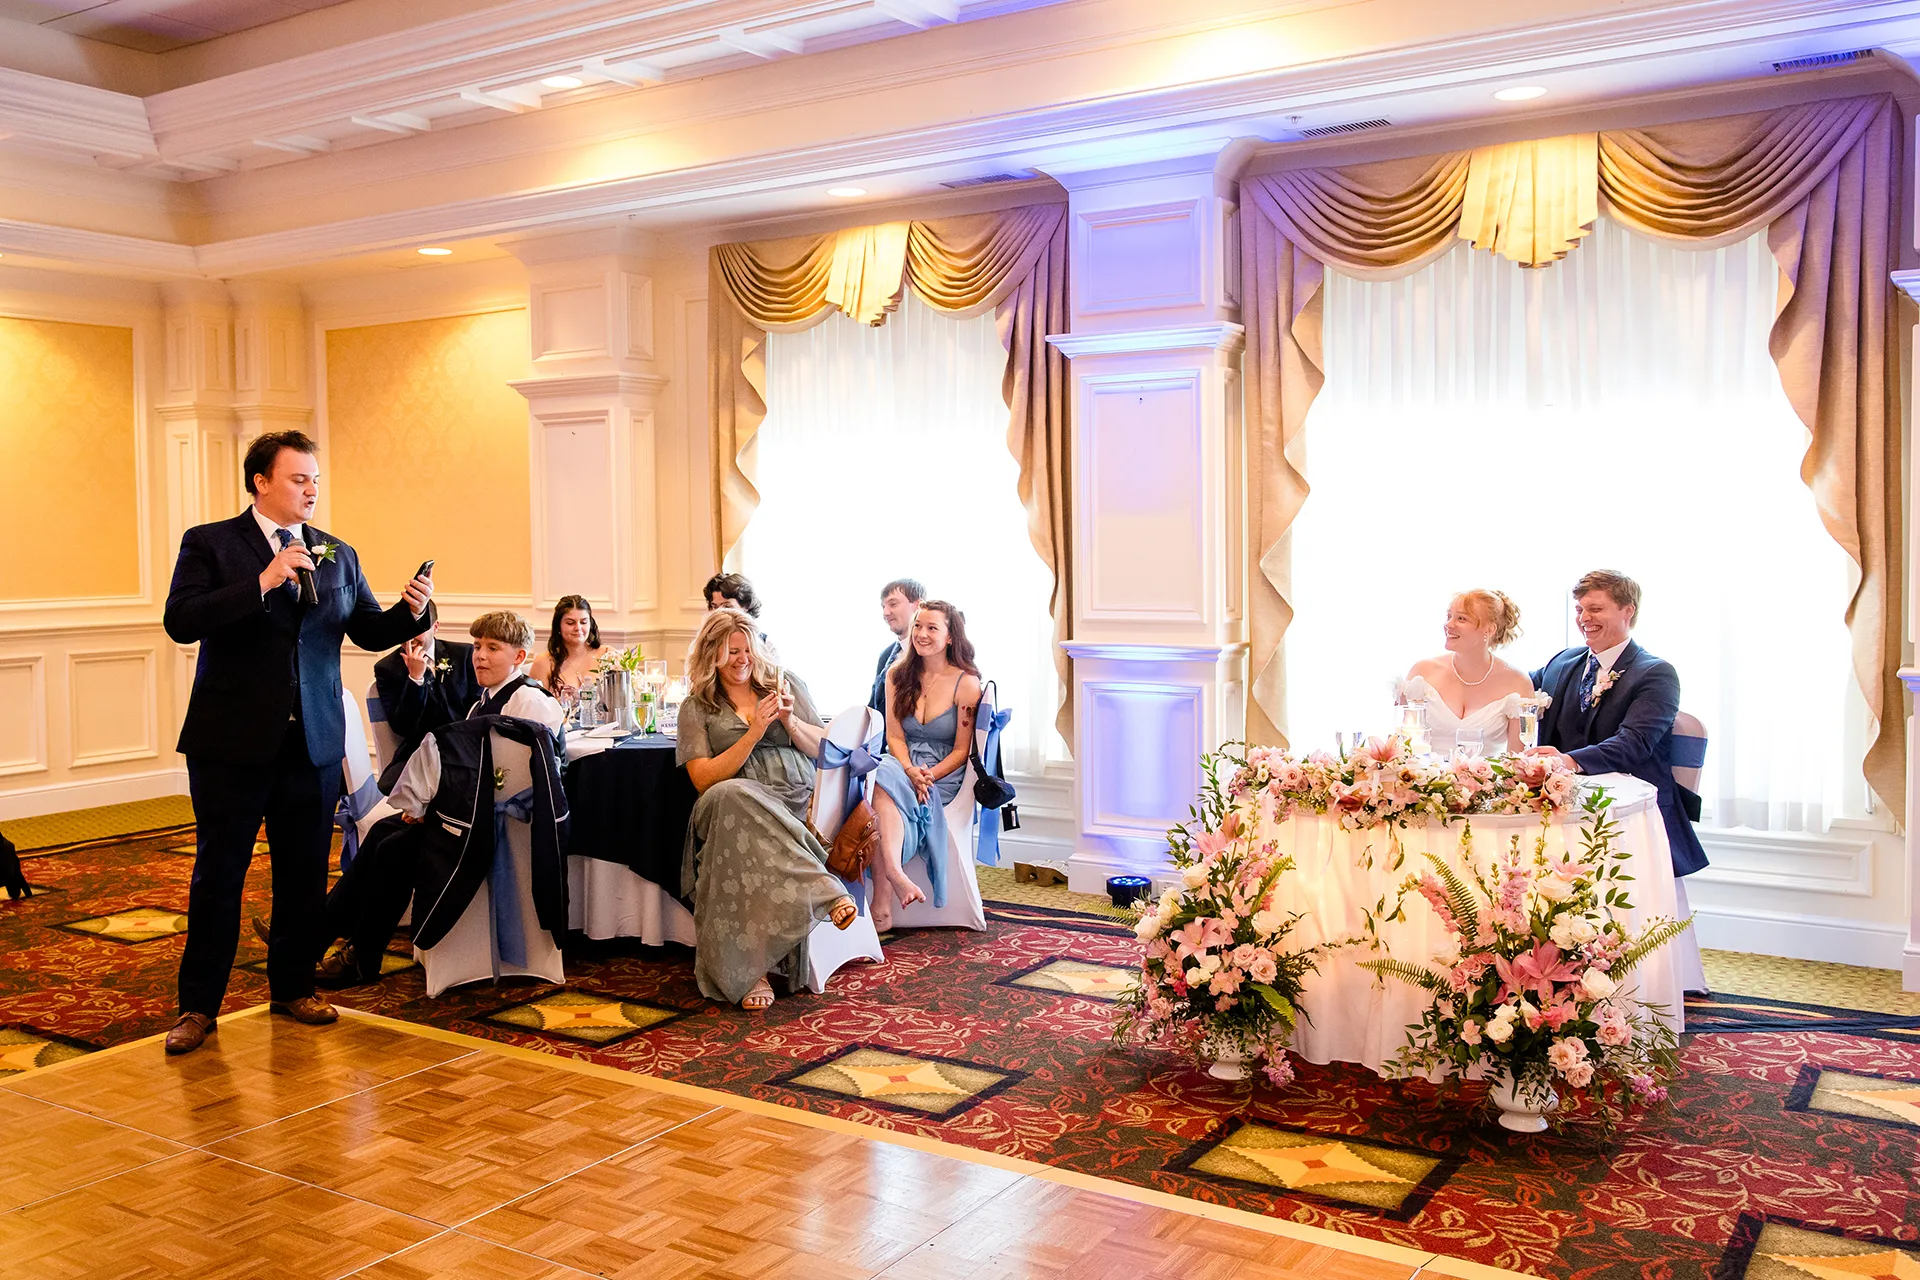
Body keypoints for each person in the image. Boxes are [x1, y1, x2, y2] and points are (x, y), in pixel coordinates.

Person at [161, 430, 432, 1054]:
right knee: (219, 875)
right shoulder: (211, 543)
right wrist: (262, 580)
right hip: (230, 742)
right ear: (261, 482)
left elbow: (366, 630)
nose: (312, 490)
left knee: (305, 873)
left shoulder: (338, 552)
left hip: (311, 741)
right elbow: (183, 619)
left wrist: (411, 611)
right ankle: (198, 1007)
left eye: (315, 479)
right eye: (299, 479)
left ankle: (292, 985)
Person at [313, 612, 563, 986]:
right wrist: (429, 806)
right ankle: (325, 938)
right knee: (384, 831)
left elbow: (512, 783)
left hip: (498, 827)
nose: (479, 656)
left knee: (393, 850)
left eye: (492, 648)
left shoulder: (528, 702)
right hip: (469, 814)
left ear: (519, 657)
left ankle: (357, 953)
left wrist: (435, 810)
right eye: (477, 646)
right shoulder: (483, 702)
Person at [676, 608, 856, 1010]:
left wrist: (790, 723)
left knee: (743, 845)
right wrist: (755, 731)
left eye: (747, 650)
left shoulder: (783, 683)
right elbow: (704, 779)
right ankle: (824, 890)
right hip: (726, 805)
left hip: (793, 801)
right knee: (734, 796)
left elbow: (824, 748)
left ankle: (752, 970)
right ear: (712, 656)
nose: (742, 659)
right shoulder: (697, 706)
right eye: (731, 652)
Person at [870, 600, 982, 931]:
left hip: (943, 775)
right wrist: (908, 770)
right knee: (877, 773)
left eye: (932, 628)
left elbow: (962, 750)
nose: (922, 634)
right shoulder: (896, 676)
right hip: (902, 765)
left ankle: (882, 899)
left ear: (950, 637)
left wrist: (927, 775)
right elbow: (895, 736)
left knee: (880, 787)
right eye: (918, 626)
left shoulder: (967, 683)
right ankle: (894, 874)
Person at [1396, 590, 1532, 753]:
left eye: (1461, 618)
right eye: (1449, 616)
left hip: (1491, 778)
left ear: (1489, 629)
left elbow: (1519, 761)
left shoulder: (1518, 683)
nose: (1449, 625)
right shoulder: (1422, 673)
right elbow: (1404, 749)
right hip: (1425, 776)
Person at [372, 616, 476, 750]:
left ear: (435, 627)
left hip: (466, 744)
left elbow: (477, 705)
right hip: (419, 749)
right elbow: (401, 726)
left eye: (417, 628)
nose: (409, 637)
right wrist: (416, 678)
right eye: (403, 629)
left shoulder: (464, 654)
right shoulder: (387, 668)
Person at [528, 594, 606, 702]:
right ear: (558, 626)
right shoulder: (543, 662)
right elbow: (535, 708)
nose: (578, 628)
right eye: (570, 623)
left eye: (583, 622)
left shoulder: (607, 655)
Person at [869, 578, 926, 713]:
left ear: (918, 605)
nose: (885, 613)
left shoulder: (935, 655)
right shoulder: (886, 656)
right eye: (883, 607)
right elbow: (873, 707)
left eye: (893, 604)